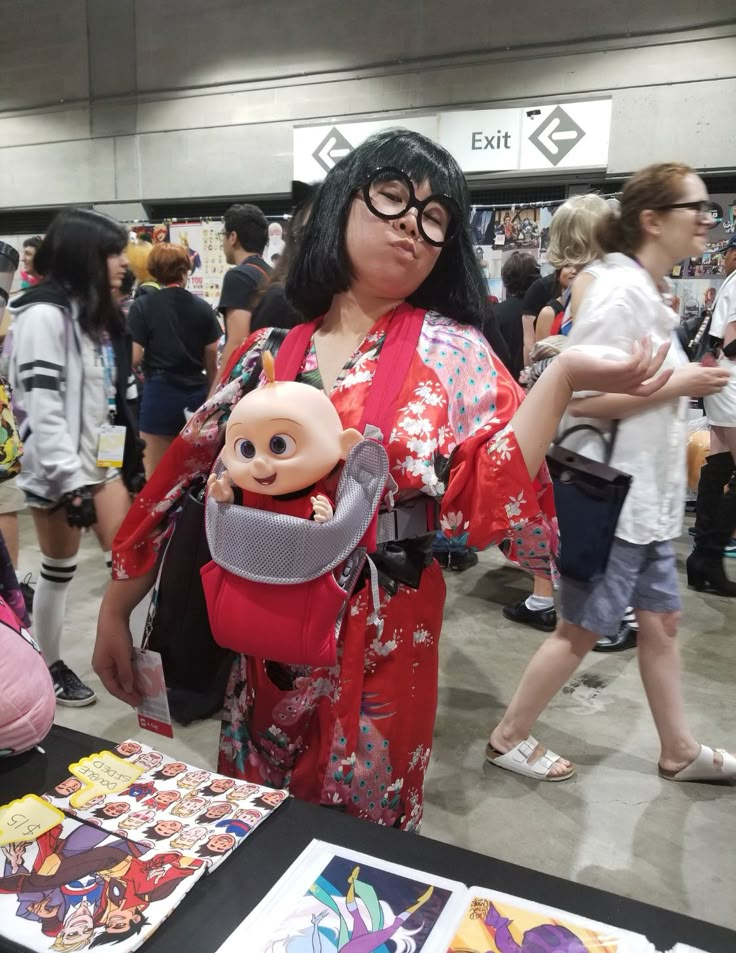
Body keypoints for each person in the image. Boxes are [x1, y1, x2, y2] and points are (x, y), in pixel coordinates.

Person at [93, 130, 670, 828]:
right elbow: (178, 479)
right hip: (264, 625)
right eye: (392, 196)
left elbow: (485, 501)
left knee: (361, 846)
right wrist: (114, 607)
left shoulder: (457, 354)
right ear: (340, 204)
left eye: (434, 217)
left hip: (382, 636)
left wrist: (566, 377)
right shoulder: (271, 351)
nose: (410, 225)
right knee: (257, 816)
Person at [487, 162, 736, 783]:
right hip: (614, 501)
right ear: (652, 220)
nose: (709, 221)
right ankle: (508, 736)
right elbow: (572, 398)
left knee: (662, 622)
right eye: (695, 210)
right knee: (579, 630)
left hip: (645, 502)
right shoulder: (621, 294)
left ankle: (677, 749)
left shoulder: (646, 291)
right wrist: (681, 381)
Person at [8, 208, 144, 706]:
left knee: (130, 563)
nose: (122, 263)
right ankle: (48, 665)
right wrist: (69, 482)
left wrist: (124, 462)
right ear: (85, 254)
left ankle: (136, 656)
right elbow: (41, 409)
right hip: (58, 469)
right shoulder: (41, 315)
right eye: (112, 252)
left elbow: (105, 397)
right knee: (58, 569)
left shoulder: (87, 314)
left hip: (99, 463)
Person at [128, 243, 221, 479]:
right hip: (195, 395)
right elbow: (212, 362)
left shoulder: (143, 306)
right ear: (185, 271)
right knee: (193, 475)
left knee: (156, 477)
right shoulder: (203, 308)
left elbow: (134, 357)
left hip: (159, 395)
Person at [688, 233, 736, 595]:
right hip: (732, 383)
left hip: (724, 382)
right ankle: (710, 554)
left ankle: (702, 557)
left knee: (719, 461)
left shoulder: (730, 282)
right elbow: (732, 341)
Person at [211, 203, 271, 392]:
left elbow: (238, 342)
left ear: (233, 237)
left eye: (223, 236)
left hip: (249, 384)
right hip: (271, 375)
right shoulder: (272, 274)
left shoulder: (238, 276)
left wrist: (214, 393)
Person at [489, 251, 540, 382]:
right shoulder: (546, 309)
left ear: (506, 279)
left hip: (506, 383)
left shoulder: (495, 313)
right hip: (539, 382)